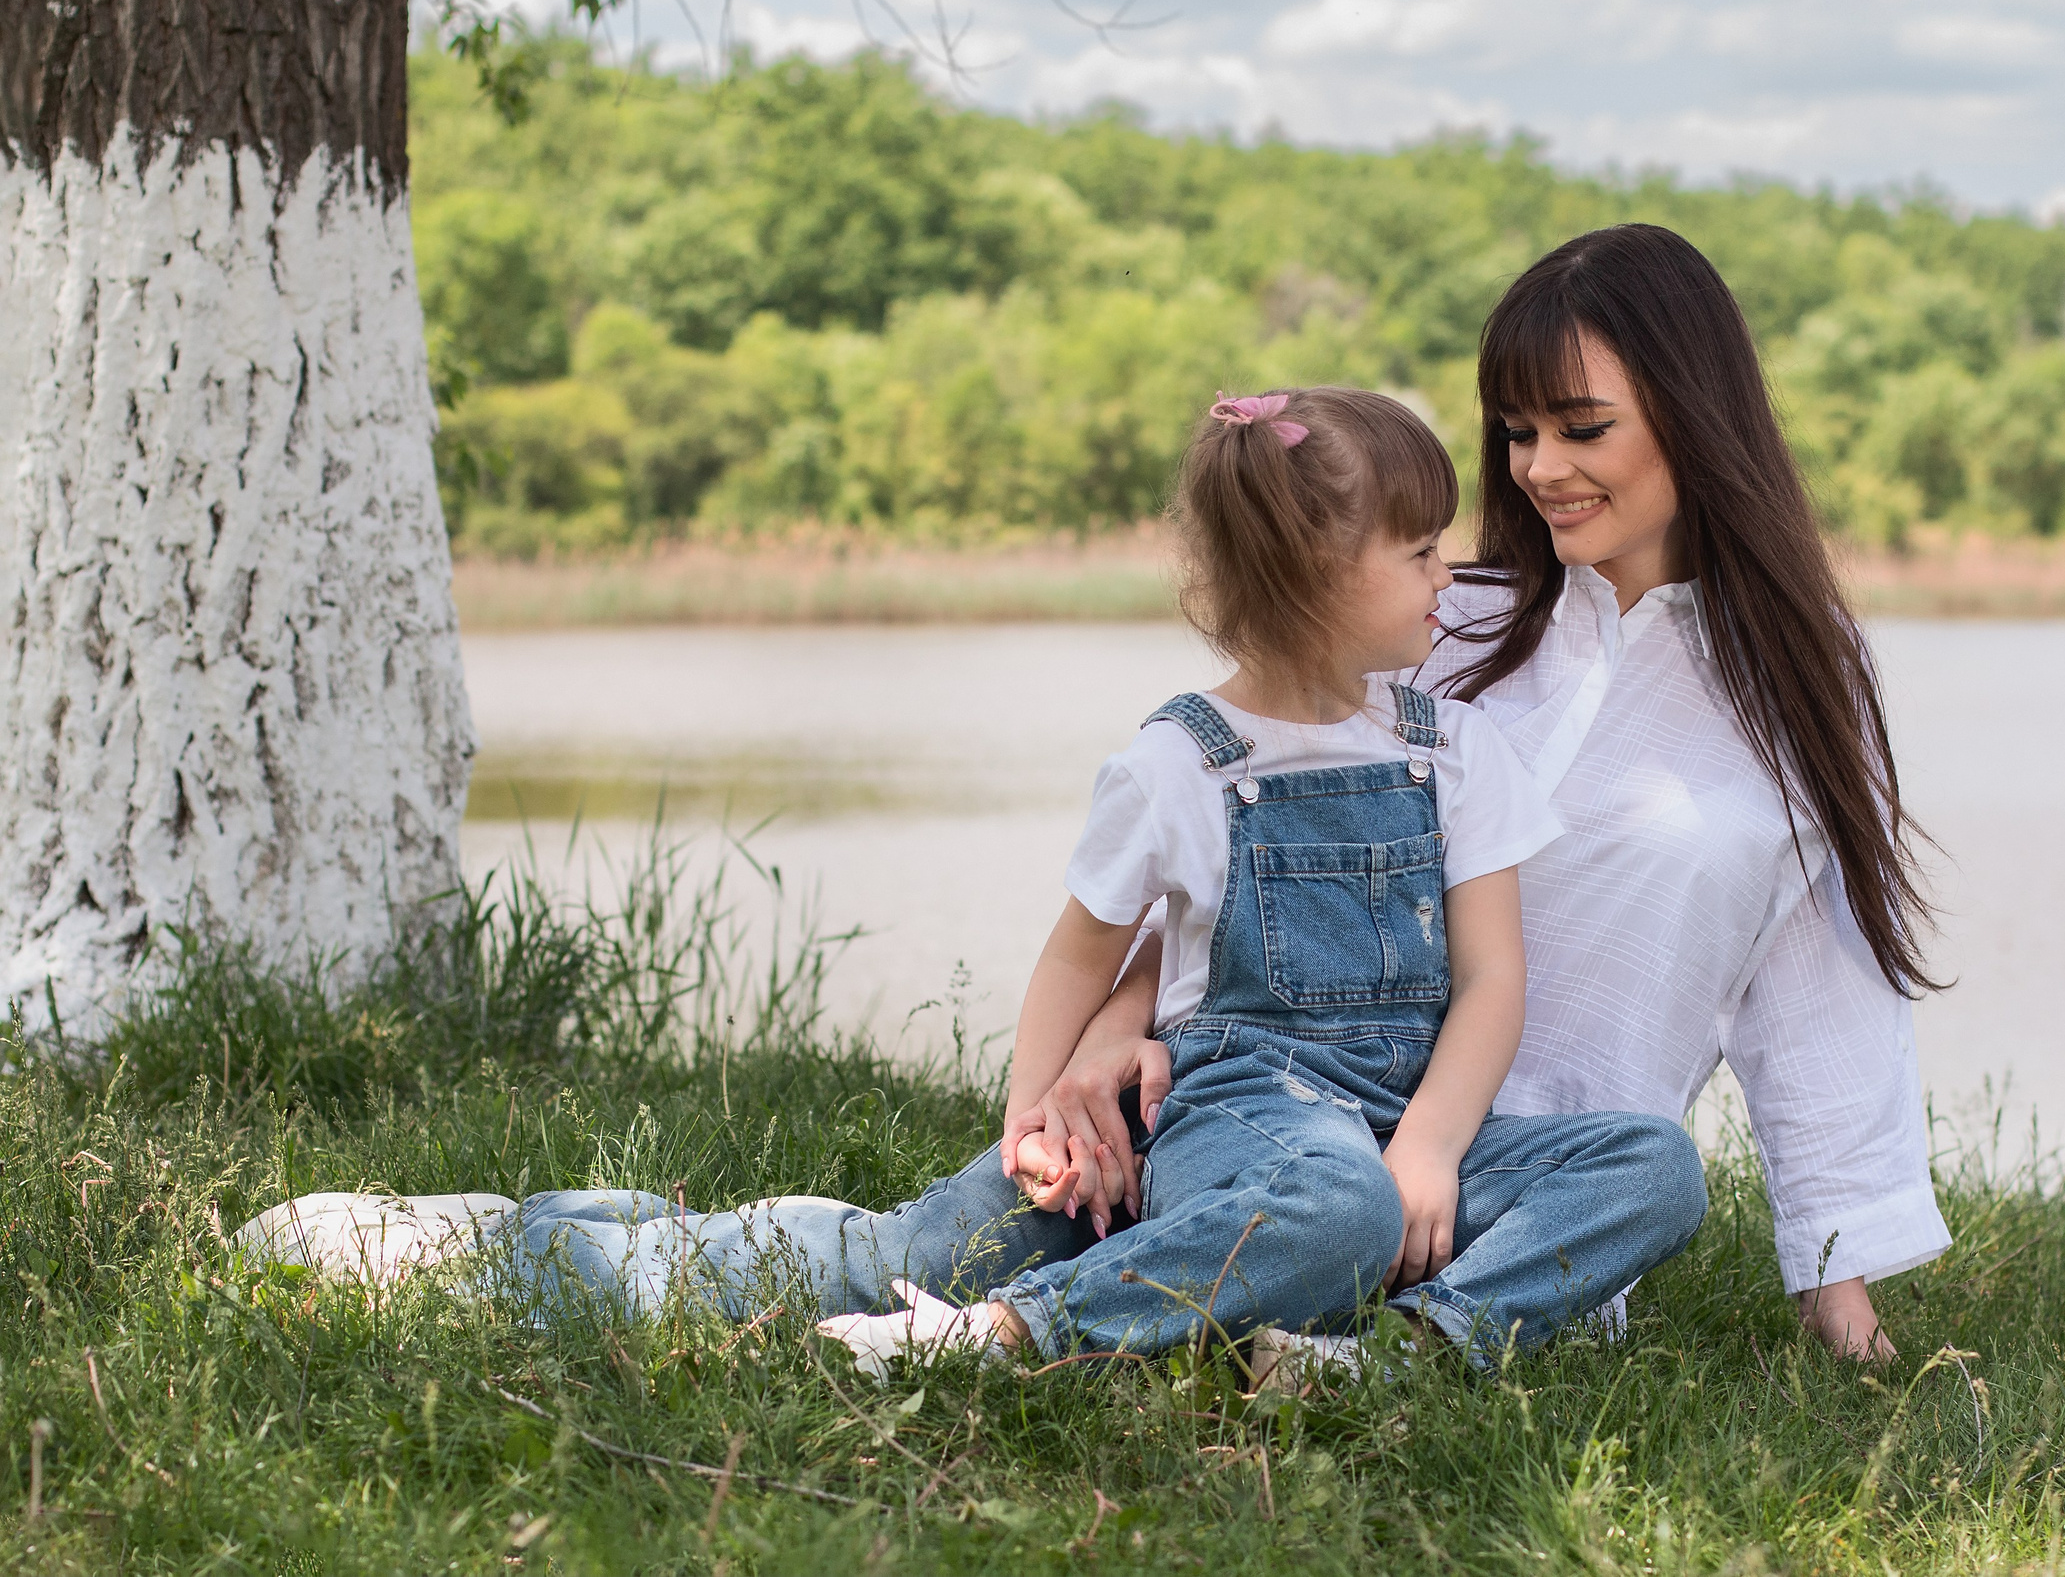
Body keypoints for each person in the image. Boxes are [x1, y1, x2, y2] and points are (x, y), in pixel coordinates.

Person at [239, 387, 1710, 1372]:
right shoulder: (1182, 763)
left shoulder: (1454, 747)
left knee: (1652, 1163)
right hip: (1247, 1121)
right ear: (1321, 577)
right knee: (913, 1253)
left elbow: (1492, 976)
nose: (1447, 579)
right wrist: (1037, 1115)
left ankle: (1375, 1358)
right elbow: (1081, 955)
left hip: (1403, 1135)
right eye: (1417, 551)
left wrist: (1435, 1148)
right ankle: (977, 1321)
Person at [1022, 224, 1950, 1360]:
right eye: (1517, 432)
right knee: (963, 1232)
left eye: (1582, 427)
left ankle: (1394, 1355)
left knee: (1653, 1177)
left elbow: (1815, 986)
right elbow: (1249, 855)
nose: (1538, 468)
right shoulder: (1438, 625)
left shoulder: (1801, 677)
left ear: (1694, 412)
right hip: (1292, 1130)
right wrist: (1118, 1024)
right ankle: (924, 1305)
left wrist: (1835, 1286)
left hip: (1526, 1198)